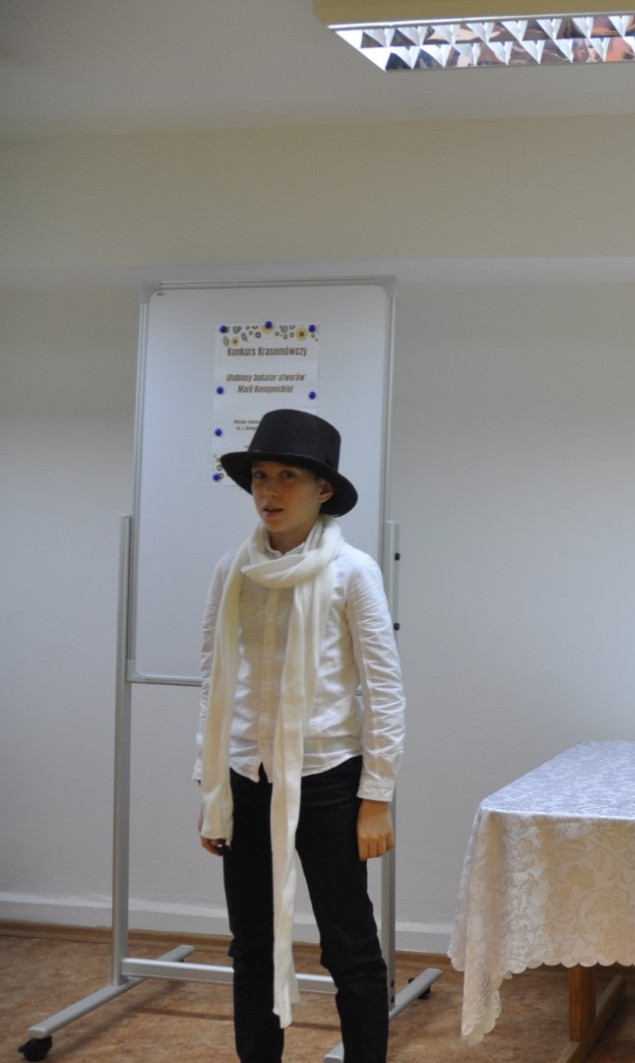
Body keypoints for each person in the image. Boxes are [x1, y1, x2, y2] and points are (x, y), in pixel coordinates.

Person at [194, 409, 404, 1063]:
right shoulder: (233, 570)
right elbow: (214, 681)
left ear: (323, 489)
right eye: (261, 475)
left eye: (288, 476)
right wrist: (211, 789)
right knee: (252, 944)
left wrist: (377, 796)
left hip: (328, 780)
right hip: (247, 778)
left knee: (349, 947)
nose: (270, 490)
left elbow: (384, 689)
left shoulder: (352, 572)